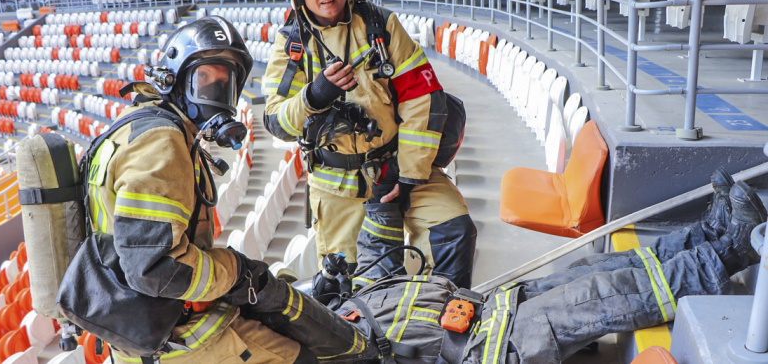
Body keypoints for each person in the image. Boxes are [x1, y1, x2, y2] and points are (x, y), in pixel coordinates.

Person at [85, 17, 371, 363]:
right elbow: (156, 271)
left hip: (148, 325)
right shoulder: (161, 142)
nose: (216, 94)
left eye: (226, 81)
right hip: (173, 336)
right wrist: (236, 271)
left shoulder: (137, 127)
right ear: (175, 79)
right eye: (205, 78)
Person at [290, 169, 767, 363]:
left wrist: (380, 206)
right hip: (492, 347)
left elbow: (377, 265)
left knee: (597, 270)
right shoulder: (331, 346)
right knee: (608, 294)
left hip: (489, 310)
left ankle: (708, 234)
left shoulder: (347, 304)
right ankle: (731, 253)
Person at [262, 0, 477, 290]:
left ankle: (442, 324)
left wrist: (406, 173)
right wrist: (314, 96)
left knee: (454, 231)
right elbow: (276, 121)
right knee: (352, 290)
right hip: (337, 188)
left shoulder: (382, 26)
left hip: (401, 166)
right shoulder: (291, 46)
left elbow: (422, 96)